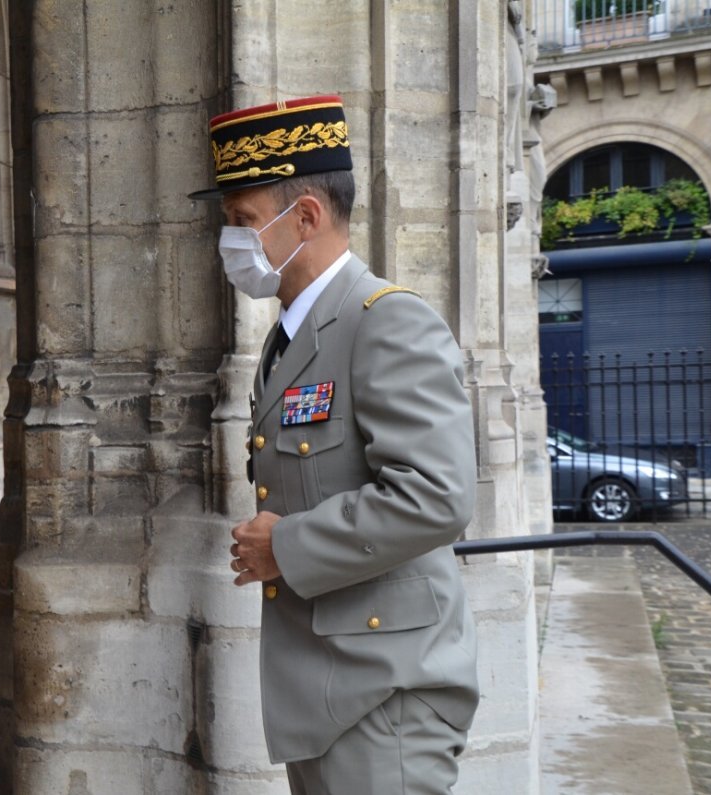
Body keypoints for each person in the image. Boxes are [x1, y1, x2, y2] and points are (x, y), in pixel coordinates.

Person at [189, 96, 479, 794]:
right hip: (332, 685)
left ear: (308, 217)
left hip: (386, 692)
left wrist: (283, 547)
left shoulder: (386, 322)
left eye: (244, 222)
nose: (232, 241)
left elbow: (437, 495)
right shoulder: (293, 330)